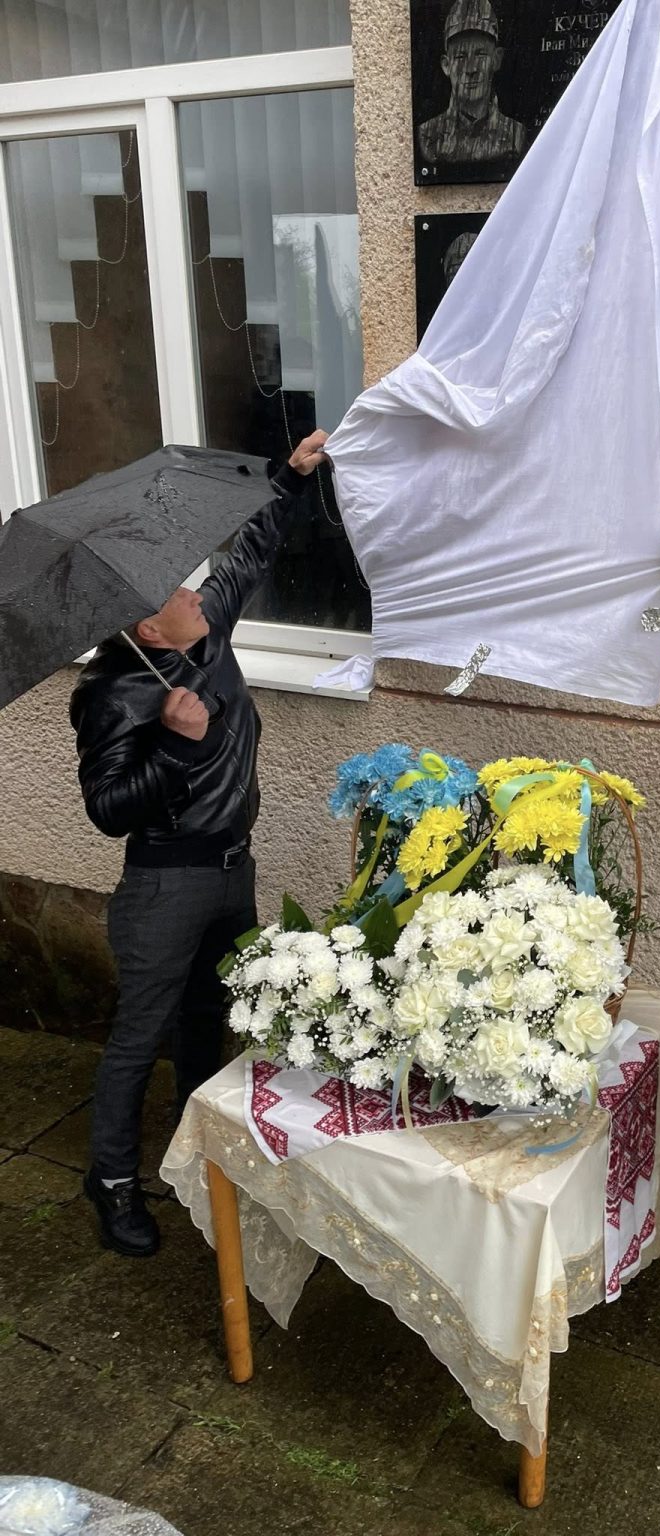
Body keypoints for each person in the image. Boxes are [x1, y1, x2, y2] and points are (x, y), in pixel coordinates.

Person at [70, 431, 330, 1259]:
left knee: (208, 1018)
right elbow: (108, 809)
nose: (194, 590)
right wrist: (177, 750)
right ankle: (112, 1179)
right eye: (177, 592)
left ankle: (199, 1147)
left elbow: (245, 558)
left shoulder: (206, 635)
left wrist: (290, 479)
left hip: (230, 871)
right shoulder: (114, 694)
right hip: (164, 885)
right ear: (151, 627)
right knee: (139, 1034)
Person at [418, 0, 525, 169]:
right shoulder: (427, 136)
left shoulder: (516, 135)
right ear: (446, 65)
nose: (471, 69)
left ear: (496, 59)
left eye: (480, 54)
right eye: (460, 57)